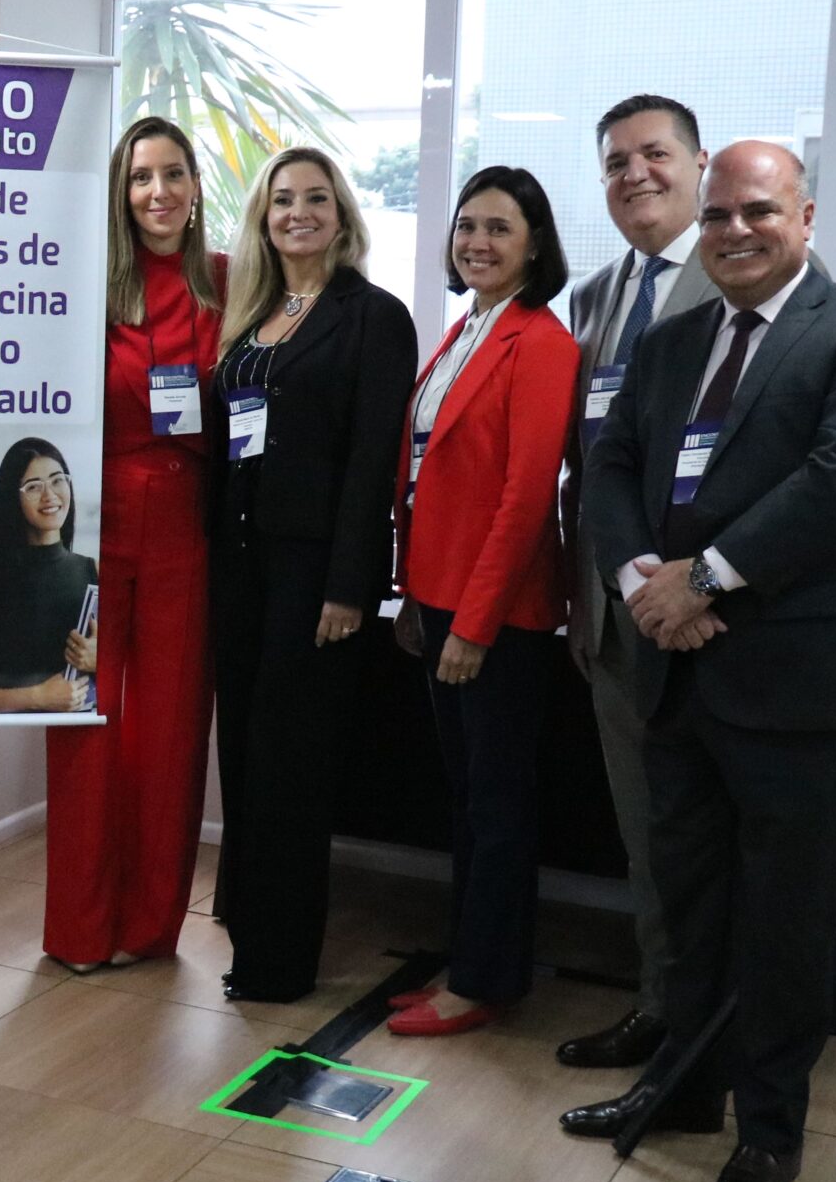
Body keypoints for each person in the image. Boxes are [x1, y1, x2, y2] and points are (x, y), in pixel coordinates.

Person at [566, 141, 836, 1182]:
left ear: (805, 217)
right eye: (717, 215)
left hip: (788, 688)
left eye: (756, 212)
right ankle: (679, 1093)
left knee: (783, 923)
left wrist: (707, 580)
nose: (732, 231)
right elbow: (611, 463)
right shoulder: (674, 342)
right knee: (688, 903)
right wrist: (641, 580)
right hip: (672, 674)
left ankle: (769, 1131)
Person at [210, 148, 417, 1004]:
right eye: (283, 199)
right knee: (246, 755)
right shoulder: (251, 314)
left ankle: (279, 961)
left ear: (342, 213)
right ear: (263, 216)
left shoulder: (373, 316)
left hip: (313, 577)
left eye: (317, 198)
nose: (299, 211)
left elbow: (374, 463)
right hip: (240, 568)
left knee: (292, 767)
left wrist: (349, 586)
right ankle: (245, 929)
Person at [386, 168, 576, 1036]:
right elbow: (431, 478)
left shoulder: (540, 343)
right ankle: (469, 962)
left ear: (535, 243)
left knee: (497, 808)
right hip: (440, 598)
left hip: (498, 618)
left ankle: (483, 980)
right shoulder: (465, 330)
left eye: (500, 228)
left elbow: (526, 497)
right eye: (468, 226)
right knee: (465, 800)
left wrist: (473, 620)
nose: (479, 242)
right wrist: (416, 596)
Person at [555, 95, 721, 1072]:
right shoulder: (595, 296)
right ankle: (663, 1016)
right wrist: (593, 597)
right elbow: (589, 464)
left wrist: (706, 584)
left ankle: (721, 1037)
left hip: (717, 625)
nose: (634, 175)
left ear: (698, 165)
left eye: (655, 154)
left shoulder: (757, 275)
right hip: (615, 622)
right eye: (615, 162)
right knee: (646, 840)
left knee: (719, 846)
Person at [37, 120, 222, 973]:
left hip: (188, 526)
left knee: (172, 733)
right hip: (94, 525)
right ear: (120, 192)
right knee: (83, 726)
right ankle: (79, 928)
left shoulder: (228, 281)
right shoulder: (82, 286)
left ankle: (148, 926)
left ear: (194, 187)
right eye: (142, 177)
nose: (158, 192)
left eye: (173, 174)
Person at [0, 438, 99, 717]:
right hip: (0, 739)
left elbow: (140, 668)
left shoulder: (95, 573)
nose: (50, 495)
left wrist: (101, 660)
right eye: (34, 486)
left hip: (77, 736)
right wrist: (37, 697)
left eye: (57, 480)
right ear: (12, 498)